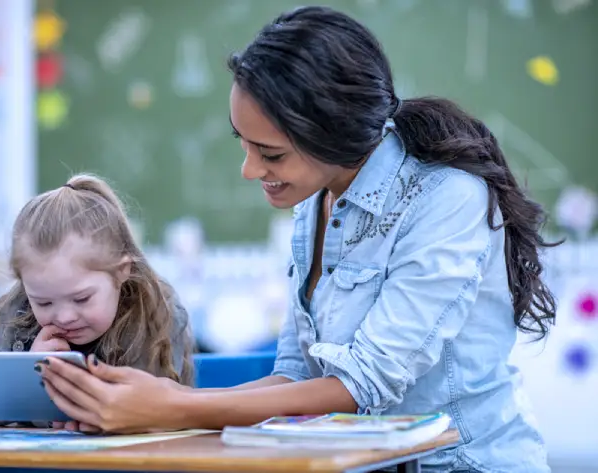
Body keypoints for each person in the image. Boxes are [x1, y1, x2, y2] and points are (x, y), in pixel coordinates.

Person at [36, 6, 557, 472]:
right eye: (244, 144)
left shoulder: (448, 198)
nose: (249, 169)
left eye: (271, 154)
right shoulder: (317, 200)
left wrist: (174, 406)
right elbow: (296, 374)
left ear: (333, 132)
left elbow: (364, 385)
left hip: (464, 464)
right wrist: (161, 406)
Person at [0, 173, 195, 430]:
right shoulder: (16, 314)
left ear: (121, 271)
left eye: (81, 299)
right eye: (44, 303)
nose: (64, 316)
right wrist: (28, 373)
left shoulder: (155, 314)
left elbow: (163, 412)